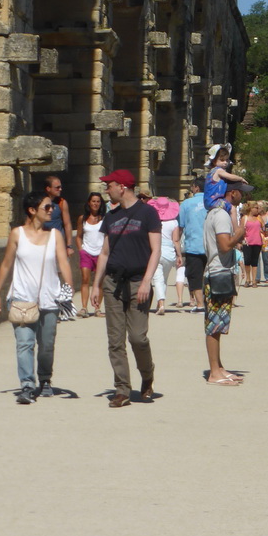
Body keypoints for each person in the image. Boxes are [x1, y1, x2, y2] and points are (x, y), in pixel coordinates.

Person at [0, 191, 73, 403]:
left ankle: (45, 379)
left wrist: (69, 290)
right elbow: (6, 264)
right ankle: (27, 385)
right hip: (21, 298)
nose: (51, 210)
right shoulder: (17, 234)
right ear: (32, 210)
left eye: (52, 207)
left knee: (46, 345)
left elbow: (63, 263)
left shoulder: (55, 235)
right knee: (24, 344)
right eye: (46, 207)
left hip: (50, 298)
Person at [91, 169, 161, 408]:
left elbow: (156, 251)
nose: (105, 189)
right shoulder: (110, 217)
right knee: (115, 340)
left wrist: (146, 281)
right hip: (113, 282)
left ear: (122, 187)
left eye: (108, 185)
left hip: (138, 281)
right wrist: (96, 285)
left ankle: (147, 373)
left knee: (138, 337)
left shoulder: (148, 213)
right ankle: (122, 389)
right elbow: (104, 253)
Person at [203, 179, 253, 386]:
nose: (244, 196)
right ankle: (214, 372)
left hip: (218, 272)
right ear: (232, 193)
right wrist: (240, 233)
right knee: (214, 326)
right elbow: (224, 245)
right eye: (242, 192)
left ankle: (219, 367)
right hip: (218, 274)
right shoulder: (222, 216)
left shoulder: (216, 213)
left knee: (218, 324)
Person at [149, 196, 183, 314]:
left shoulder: (153, 221)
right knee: (164, 279)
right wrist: (179, 256)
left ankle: (161, 303)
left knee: (157, 278)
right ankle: (160, 304)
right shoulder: (174, 222)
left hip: (156, 251)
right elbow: (176, 241)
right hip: (169, 252)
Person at [178, 179, 208, 313]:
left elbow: (181, 226)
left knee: (194, 276)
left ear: (196, 188)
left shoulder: (186, 204)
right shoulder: (211, 203)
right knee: (210, 275)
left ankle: (200, 304)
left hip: (193, 246)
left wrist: (177, 245)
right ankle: (210, 302)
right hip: (211, 246)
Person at [75, 192, 106, 317]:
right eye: (93, 201)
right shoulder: (82, 219)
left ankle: (97, 308)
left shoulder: (104, 219)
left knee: (99, 282)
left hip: (100, 253)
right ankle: (84, 307)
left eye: (98, 201)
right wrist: (81, 250)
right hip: (87, 252)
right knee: (85, 279)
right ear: (89, 203)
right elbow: (78, 236)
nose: (95, 204)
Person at [203, 144, 244, 221]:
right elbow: (230, 176)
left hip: (209, 201)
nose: (225, 162)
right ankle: (236, 229)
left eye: (227, 160)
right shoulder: (219, 171)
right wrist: (240, 178)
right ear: (214, 161)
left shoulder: (210, 173)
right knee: (232, 209)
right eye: (222, 160)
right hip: (215, 201)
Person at [42, 174, 74, 257]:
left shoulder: (62, 202)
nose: (60, 189)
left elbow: (67, 224)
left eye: (60, 187)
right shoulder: (39, 202)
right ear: (48, 188)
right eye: (57, 187)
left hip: (58, 243)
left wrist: (69, 246)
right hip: (42, 242)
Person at [241, 201, 264, 287]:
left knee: (255, 261)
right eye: (256, 208)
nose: (258, 210)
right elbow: (241, 230)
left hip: (257, 241)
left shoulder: (259, 218)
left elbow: (264, 227)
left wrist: (265, 230)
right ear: (251, 208)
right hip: (247, 242)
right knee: (247, 260)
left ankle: (254, 280)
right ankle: (248, 279)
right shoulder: (245, 218)